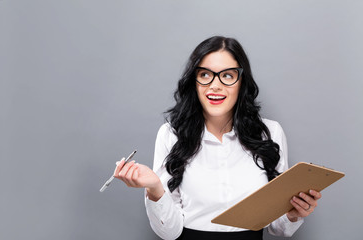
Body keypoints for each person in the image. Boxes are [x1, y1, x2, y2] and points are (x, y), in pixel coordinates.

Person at [113, 36, 322, 240]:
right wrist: (155, 188)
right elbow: (170, 232)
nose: (215, 85)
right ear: (194, 82)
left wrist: (294, 213)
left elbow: (278, 228)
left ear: (242, 82)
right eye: (205, 75)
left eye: (228, 76)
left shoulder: (270, 133)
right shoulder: (171, 135)